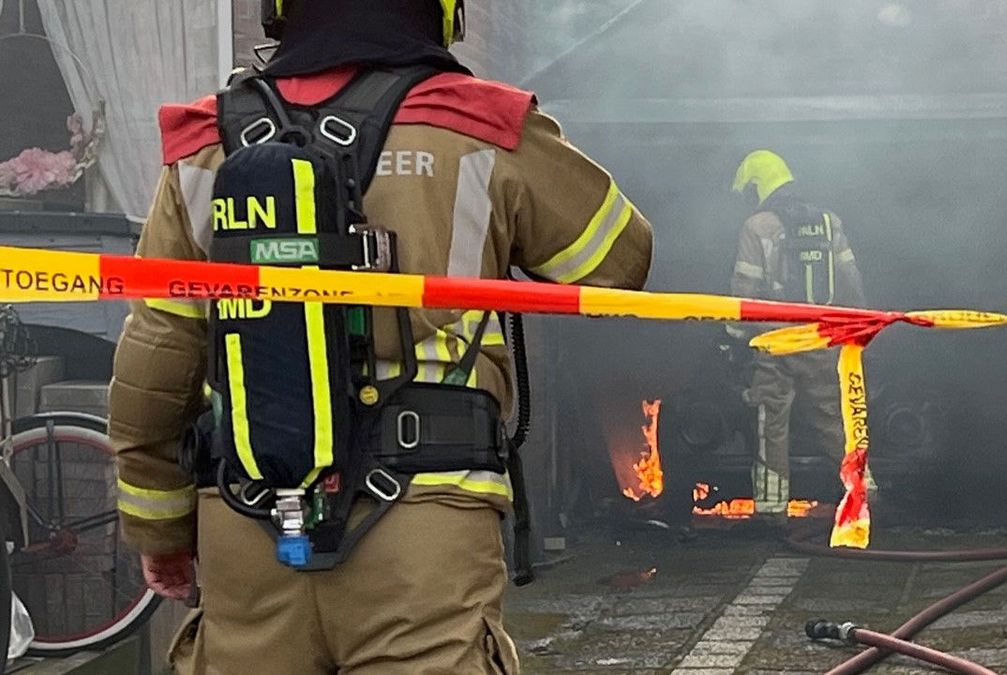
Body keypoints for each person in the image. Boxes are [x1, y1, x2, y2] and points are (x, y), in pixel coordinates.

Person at [108, 1, 653, 672]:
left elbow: (155, 363)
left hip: (249, 525)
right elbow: (618, 263)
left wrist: (159, 528)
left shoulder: (205, 147)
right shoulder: (482, 125)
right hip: (425, 528)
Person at [728, 150, 866, 525]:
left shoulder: (757, 227)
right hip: (823, 338)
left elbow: (746, 291)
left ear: (757, 187)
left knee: (770, 422)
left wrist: (733, 336)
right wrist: (854, 327)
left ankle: (772, 513)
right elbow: (851, 283)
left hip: (776, 341)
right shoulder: (828, 222)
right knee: (835, 419)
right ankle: (864, 496)